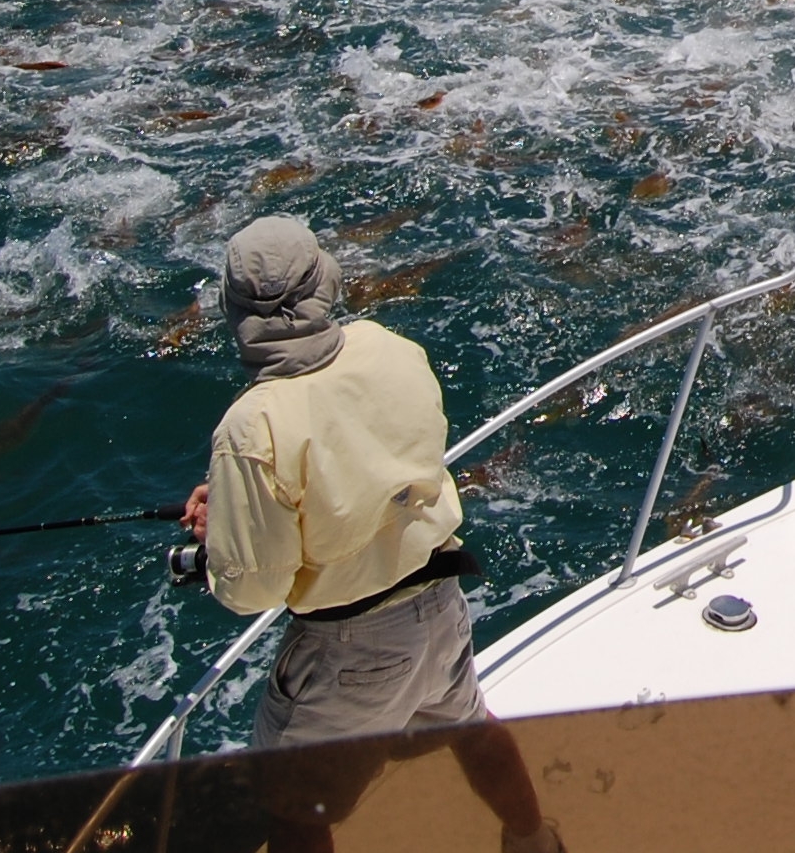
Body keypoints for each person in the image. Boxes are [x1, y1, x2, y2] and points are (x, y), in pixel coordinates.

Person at [181, 215, 560, 853]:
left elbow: (255, 591)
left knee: (293, 807)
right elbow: (373, 463)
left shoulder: (250, 427)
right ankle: (535, 842)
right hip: (440, 602)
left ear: (234, 311)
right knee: (471, 727)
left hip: (351, 645)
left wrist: (223, 533)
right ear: (324, 284)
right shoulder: (388, 346)